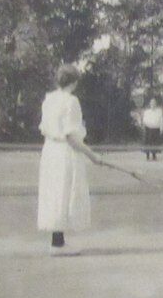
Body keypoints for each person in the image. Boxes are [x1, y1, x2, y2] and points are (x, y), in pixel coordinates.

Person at [38, 65, 112, 256]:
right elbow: (71, 136)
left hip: (50, 151)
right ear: (74, 82)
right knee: (63, 193)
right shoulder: (71, 101)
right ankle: (57, 245)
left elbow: (48, 128)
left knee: (56, 193)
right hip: (64, 152)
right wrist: (92, 155)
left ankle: (58, 241)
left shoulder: (49, 99)